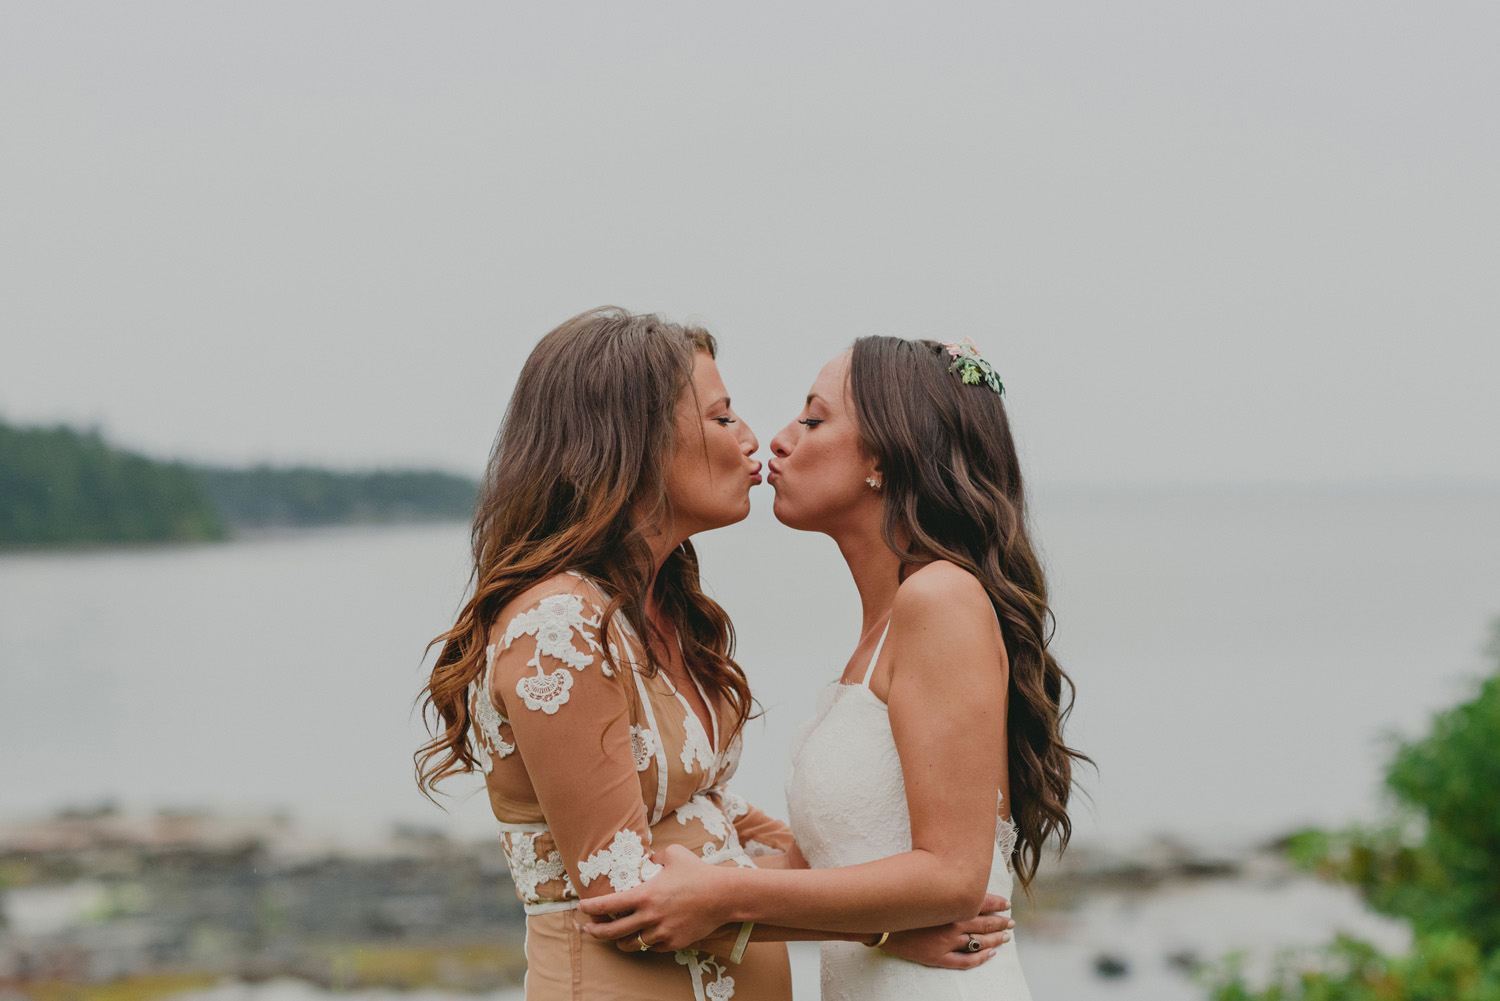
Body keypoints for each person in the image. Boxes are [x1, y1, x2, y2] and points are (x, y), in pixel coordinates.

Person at [416, 312, 1015, 1001]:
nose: (758, 439)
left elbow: (715, 825)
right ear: (635, 442)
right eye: (723, 417)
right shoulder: (561, 623)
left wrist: (873, 913)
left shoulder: (659, 612)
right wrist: (873, 930)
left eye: (810, 420)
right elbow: (625, 890)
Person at [580, 336, 1087, 1000]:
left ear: (884, 455)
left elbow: (953, 876)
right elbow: (819, 877)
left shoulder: (939, 598)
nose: (778, 441)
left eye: (813, 419)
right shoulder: (882, 630)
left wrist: (724, 892)